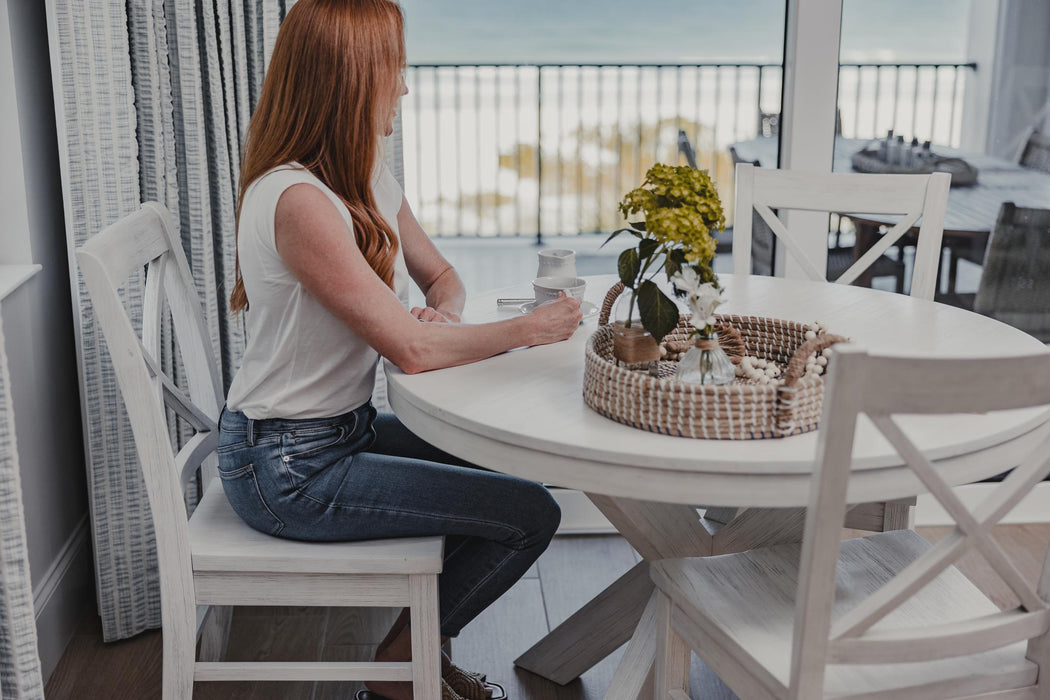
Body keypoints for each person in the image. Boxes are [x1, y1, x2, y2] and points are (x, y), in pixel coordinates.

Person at [216, 1, 582, 698]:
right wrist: (527, 329)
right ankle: (398, 670)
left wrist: (442, 314)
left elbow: (441, 277)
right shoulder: (299, 200)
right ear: (351, 78)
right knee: (531, 514)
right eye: (396, 71)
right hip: (287, 467)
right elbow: (410, 354)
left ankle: (412, 656)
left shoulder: (365, 176)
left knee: (512, 463)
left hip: (335, 435)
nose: (406, 89)